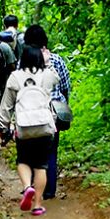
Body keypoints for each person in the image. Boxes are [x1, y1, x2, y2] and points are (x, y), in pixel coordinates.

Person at [0, 45, 59, 216]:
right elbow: (57, 78)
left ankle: (26, 187)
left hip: (24, 128)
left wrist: (2, 125)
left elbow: (7, 105)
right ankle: (38, 205)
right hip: (45, 127)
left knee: (23, 160)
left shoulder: (15, 77)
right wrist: (48, 62)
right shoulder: (46, 75)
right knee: (41, 165)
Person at [23, 24, 70, 199]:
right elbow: (65, 86)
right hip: (53, 113)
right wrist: (63, 104)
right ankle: (49, 191)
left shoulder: (23, 63)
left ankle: (35, 186)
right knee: (51, 151)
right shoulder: (57, 60)